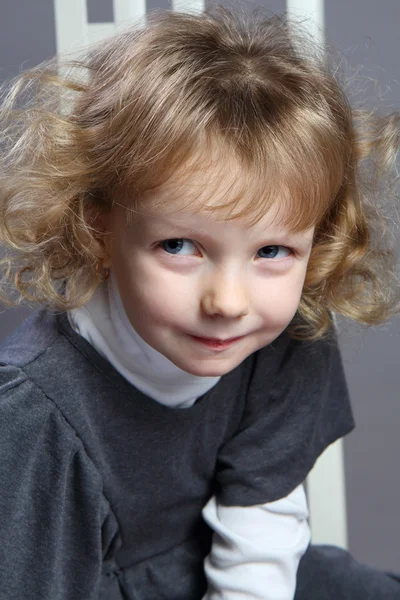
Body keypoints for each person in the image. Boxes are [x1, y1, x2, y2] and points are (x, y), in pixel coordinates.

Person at [0, 6, 398, 600]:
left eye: (272, 251)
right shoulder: (36, 413)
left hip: (235, 564)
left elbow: (262, 524)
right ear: (99, 229)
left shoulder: (281, 331)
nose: (229, 302)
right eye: (180, 245)